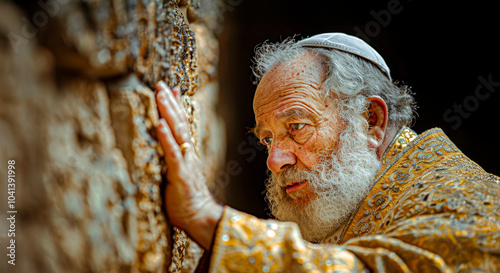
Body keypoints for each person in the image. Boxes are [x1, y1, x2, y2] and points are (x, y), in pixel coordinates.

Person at [154, 33, 500, 272]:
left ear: (371, 121)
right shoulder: (357, 205)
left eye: (297, 127)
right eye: (267, 139)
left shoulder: (469, 200)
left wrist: (205, 217)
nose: (275, 161)